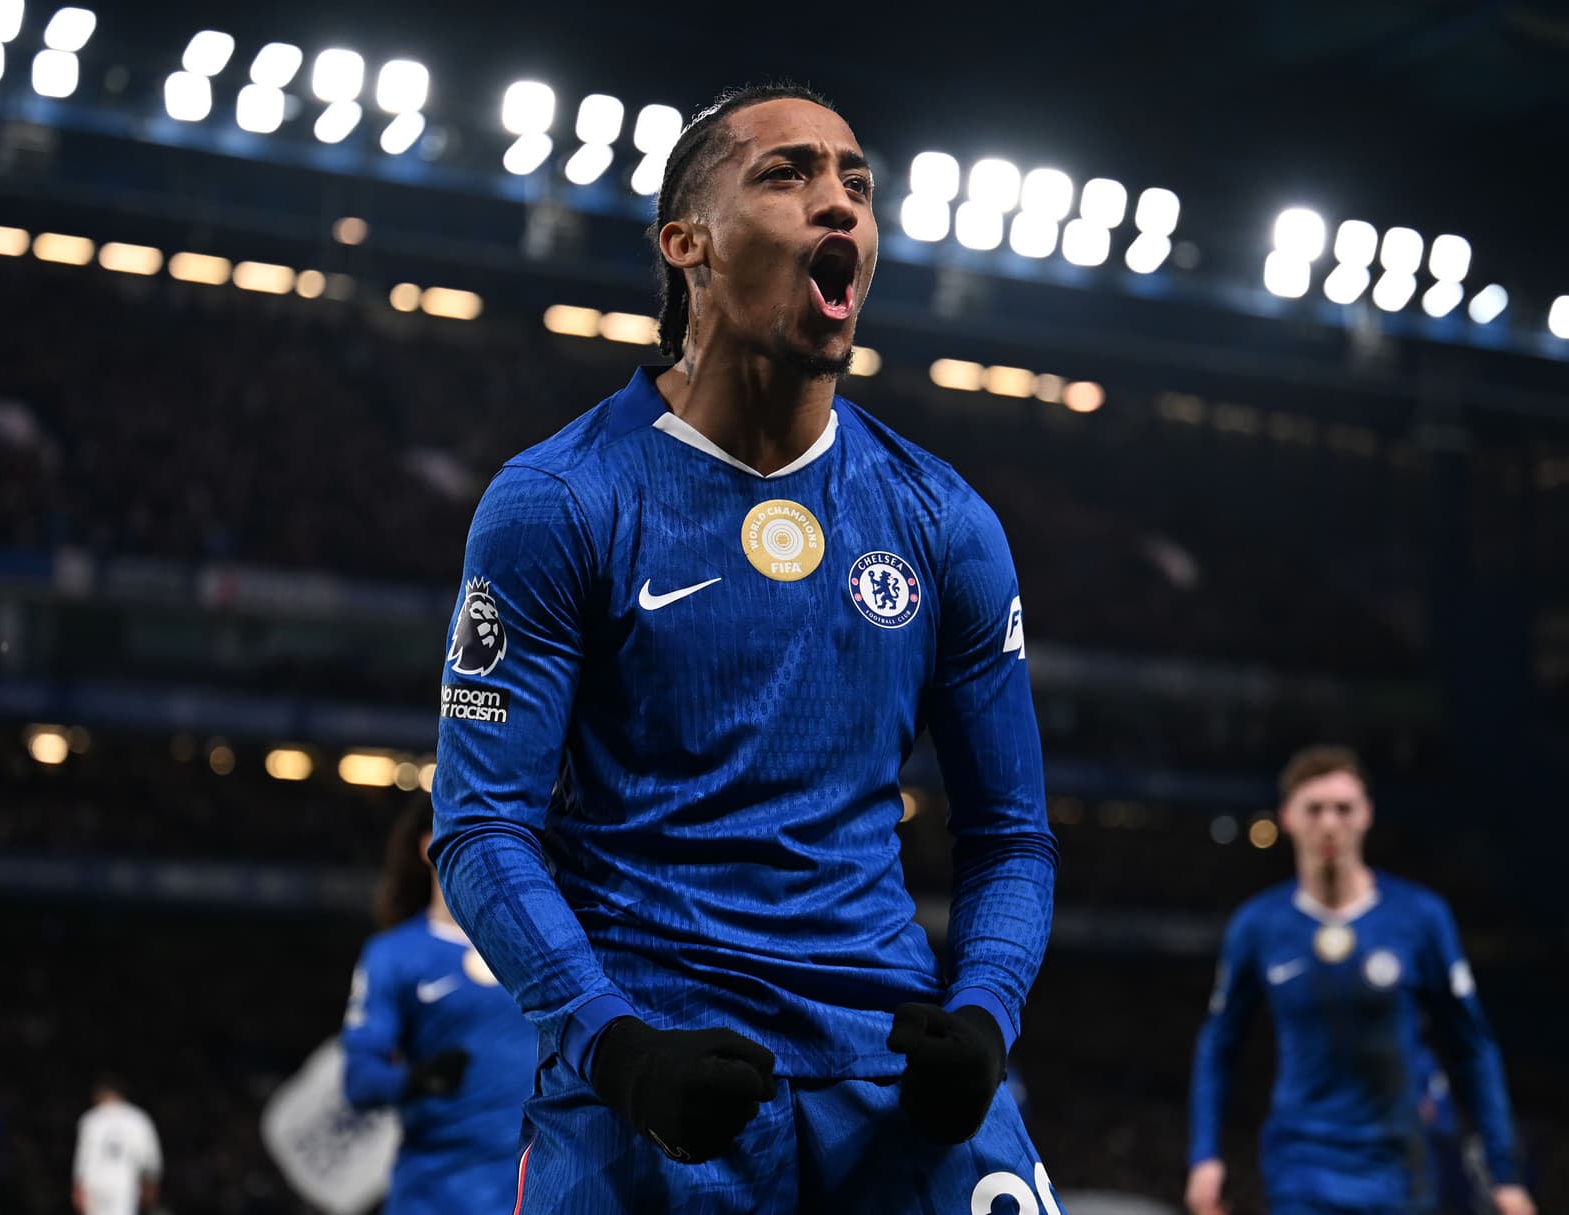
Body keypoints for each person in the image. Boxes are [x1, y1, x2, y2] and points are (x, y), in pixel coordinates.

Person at [431, 81, 1059, 1212]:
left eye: (857, 185)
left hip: (896, 1079)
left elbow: (1012, 837)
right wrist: (614, 1049)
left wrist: (985, 1017)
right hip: (658, 1084)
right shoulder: (557, 502)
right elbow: (479, 828)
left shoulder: (945, 523)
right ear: (688, 245)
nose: (841, 205)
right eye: (790, 174)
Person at [1185, 745, 1536, 1215]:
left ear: (1366, 815)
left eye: (1343, 809)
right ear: (1287, 816)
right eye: (1315, 809)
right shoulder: (1258, 925)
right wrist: (1205, 1155)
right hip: (1302, 1161)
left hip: (1403, 1161)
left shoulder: (1420, 917)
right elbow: (1219, 1045)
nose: (1329, 823)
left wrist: (1504, 1173)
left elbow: (1472, 1047)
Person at [341, 800, 535, 1212]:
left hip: (531, 1192)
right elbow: (359, 1079)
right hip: (435, 1195)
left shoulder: (538, 947)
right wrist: (414, 1081)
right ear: (427, 845)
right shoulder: (395, 956)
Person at [71, 1077, 161, 1215]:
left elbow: (83, 1158)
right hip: (124, 1181)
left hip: (94, 1182)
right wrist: (151, 1183)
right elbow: (149, 1157)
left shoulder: (90, 1118)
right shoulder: (137, 1118)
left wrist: (78, 1186)